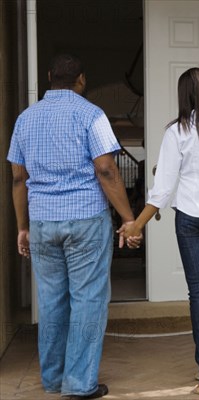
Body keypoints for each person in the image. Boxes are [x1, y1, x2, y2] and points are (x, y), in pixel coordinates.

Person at [7, 53, 136, 399]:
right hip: (85, 220)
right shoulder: (91, 115)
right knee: (88, 300)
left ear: (49, 76)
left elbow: (19, 180)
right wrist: (127, 218)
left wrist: (23, 227)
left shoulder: (25, 119)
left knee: (51, 301)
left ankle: (52, 379)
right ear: (81, 80)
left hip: (42, 221)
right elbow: (107, 170)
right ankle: (78, 384)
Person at [121, 67, 199, 397]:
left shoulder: (177, 131)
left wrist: (137, 224)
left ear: (185, 95)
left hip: (190, 218)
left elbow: (162, 190)